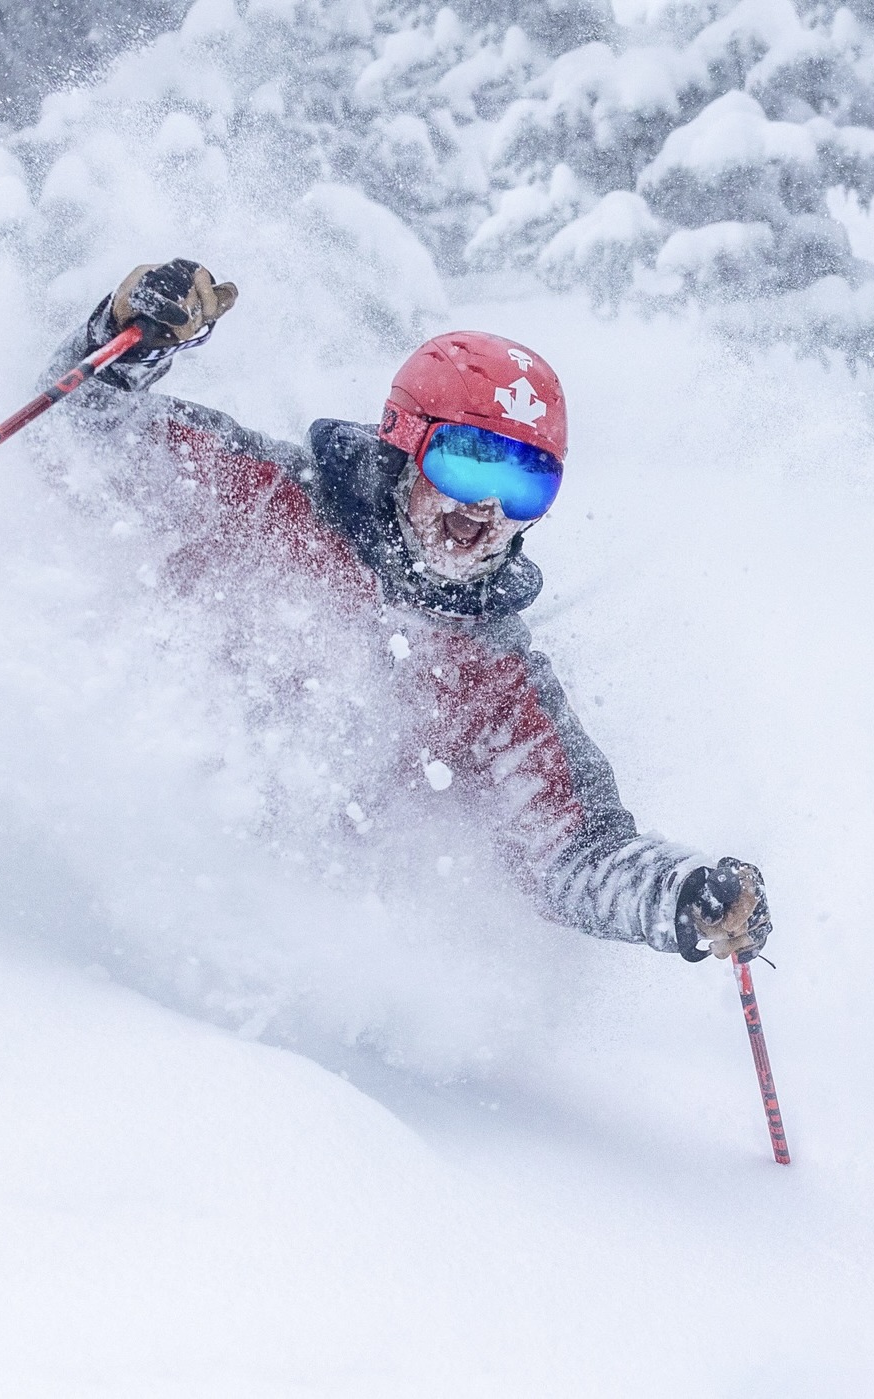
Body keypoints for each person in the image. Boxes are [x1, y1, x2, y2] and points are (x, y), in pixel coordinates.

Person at [45, 257, 773, 965]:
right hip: (105, 861)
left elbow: (575, 849)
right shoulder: (271, 496)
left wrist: (677, 892)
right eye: (465, 463)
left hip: (283, 944)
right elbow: (83, 434)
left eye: (525, 486)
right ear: (403, 439)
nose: (485, 508)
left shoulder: (494, 669)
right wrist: (128, 336)